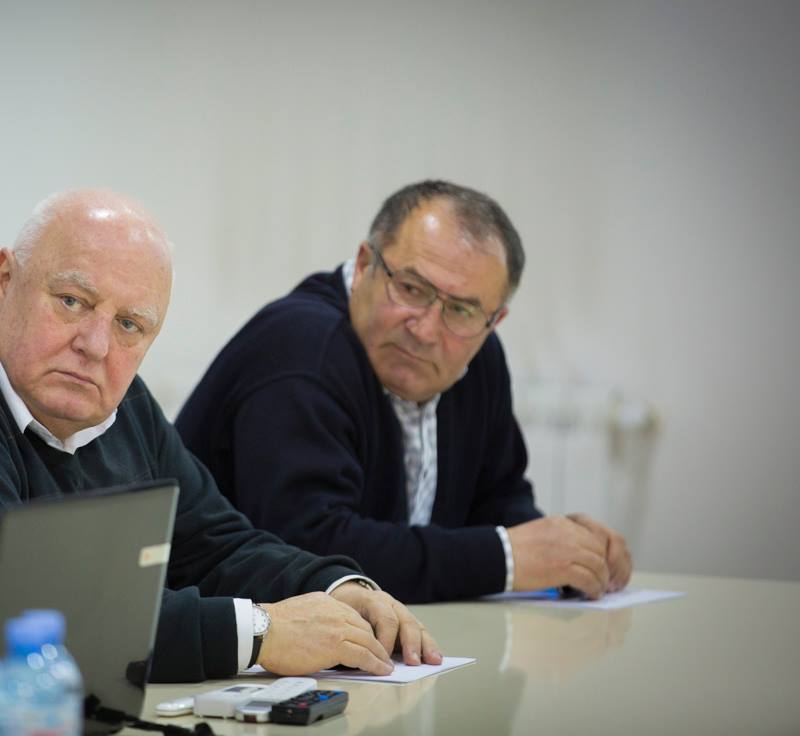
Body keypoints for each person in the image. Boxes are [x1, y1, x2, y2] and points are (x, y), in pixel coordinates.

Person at [0, 189, 440, 734]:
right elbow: (28, 620)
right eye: (72, 301)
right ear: (5, 280)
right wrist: (260, 633)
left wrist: (335, 587)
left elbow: (213, 540)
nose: (96, 345)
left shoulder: (108, 400)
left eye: (130, 325)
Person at [176, 180, 632, 605]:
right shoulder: (301, 349)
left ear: (493, 322)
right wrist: (506, 557)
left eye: (462, 311)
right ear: (364, 265)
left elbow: (496, 499)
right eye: (412, 289)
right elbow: (308, 551)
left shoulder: (478, 359)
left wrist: (563, 550)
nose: (427, 330)